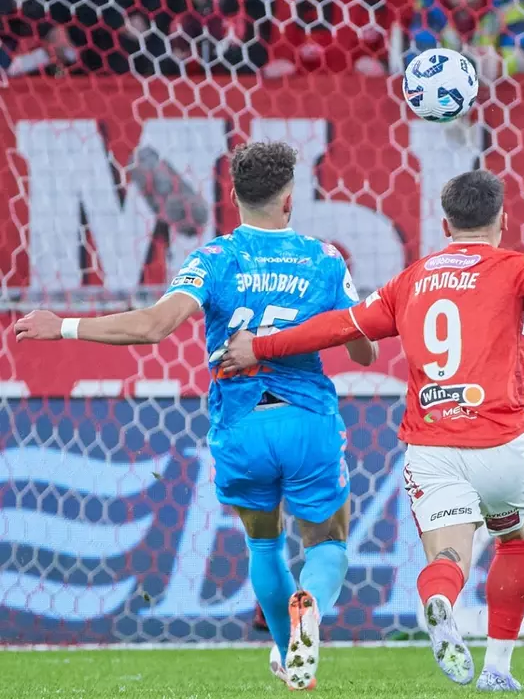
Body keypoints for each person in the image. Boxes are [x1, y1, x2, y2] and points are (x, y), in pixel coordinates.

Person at [217, 170, 524, 692]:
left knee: (448, 557)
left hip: (432, 446)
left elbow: (340, 326)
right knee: (514, 543)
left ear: (445, 224)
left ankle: (440, 599)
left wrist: (260, 347)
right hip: (501, 442)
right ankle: (497, 668)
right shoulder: (516, 268)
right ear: (503, 219)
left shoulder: (411, 279)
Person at [13, 141, 377, 691]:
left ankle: (290, 658)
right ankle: (313, 606)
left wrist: (63, 326)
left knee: (263, 544)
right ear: (289, 200)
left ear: (232, 195)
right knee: (328, 543)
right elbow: (363, 349)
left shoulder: (215, 258)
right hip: (308, 421)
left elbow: (152, 327)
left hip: (241, 425)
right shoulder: (324, 259)